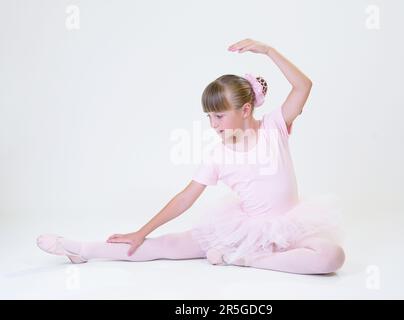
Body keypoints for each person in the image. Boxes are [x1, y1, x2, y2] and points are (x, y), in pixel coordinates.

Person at [37, 39, 345, 275]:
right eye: (209, 117)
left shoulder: (275, 126)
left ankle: (247, 260)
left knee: (332, 257)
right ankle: (80, 248)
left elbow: (303, 86)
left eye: (220, 117)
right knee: (167, 246)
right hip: (243, 230)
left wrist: (268, 50)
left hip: (289, 228)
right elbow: (184, 199)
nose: (213, 125)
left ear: (246, 110)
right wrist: (141, 231)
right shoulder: (218, 155)